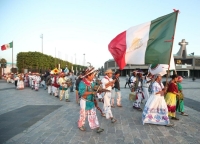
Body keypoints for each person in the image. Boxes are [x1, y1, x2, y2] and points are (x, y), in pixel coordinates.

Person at [77, 65, 104, 133]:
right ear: (88, 76)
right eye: (92, 75)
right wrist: (92, 92)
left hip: (91, 101)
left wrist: (99, 87)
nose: (93, 76)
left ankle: (97, 127)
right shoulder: (82, 83)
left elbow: (95, 86)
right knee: (83, 115)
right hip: (85, 102)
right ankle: (80, 125)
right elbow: (82, 93)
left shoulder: (92, 82)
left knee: (93, 114)